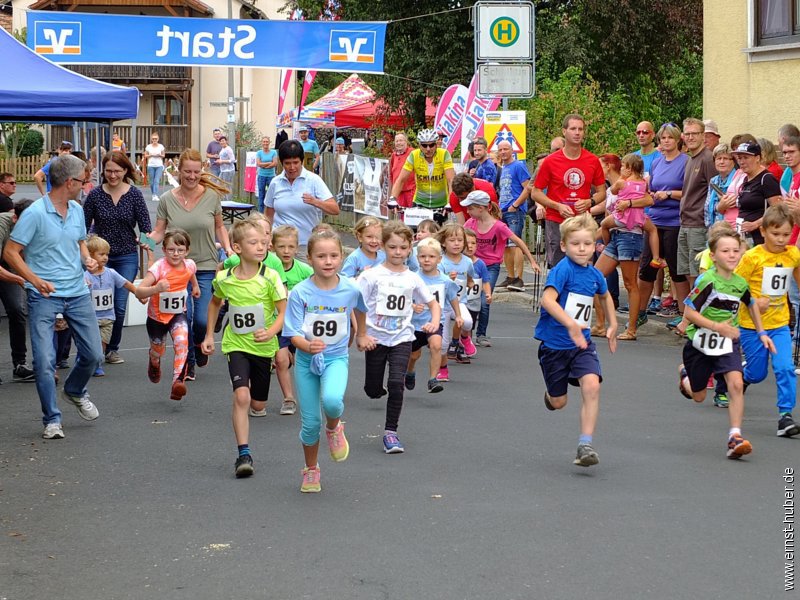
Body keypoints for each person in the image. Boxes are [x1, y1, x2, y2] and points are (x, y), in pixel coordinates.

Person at [4, 154, 103, 440]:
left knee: (94, 355)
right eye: (84, 181)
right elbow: (11, 252)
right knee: (45, 361)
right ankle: (52, 419)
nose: (87, 185)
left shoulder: (76, 209)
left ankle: (74, 390)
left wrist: (87, 260)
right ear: (70, 182)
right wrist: (34, 280)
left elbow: (80, 241)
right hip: (43, 296)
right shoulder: (35, 213)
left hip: (77, 292)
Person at [283, 229, 368, 492]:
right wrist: (307, 345)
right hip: (307, 361)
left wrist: (362, 334)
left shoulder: (350, 289)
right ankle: (311, 470)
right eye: (321, 256)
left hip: (335, 358)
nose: (328, 261)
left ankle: (334, 428)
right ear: (309, 258)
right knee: (310, 423)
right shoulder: (300, 292)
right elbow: (292, 332)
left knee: (332, 401)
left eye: (333, 255)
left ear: (342, 257)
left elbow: (360, 308)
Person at [677, 226, 773, 458]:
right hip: (700, 341)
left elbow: (750, 304)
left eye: (735, 250)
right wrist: (716, 326)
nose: (731, 255)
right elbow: (689, 312)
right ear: (713, 256)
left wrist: (761, 333)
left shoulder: (740, 283)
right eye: (725, 251)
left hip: (728, 341)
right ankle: (685, 375)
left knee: (736, 383)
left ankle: (735, 436)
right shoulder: (707, 280)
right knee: (699, 396)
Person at [202, 220, 286, 478]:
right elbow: (215, 303)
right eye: (254, 243)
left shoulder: (270, 277)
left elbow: (284, 311)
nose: (261, 247)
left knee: (258, 403)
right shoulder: (224, 278)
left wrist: (271, 331)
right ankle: (243, 454)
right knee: (241, 397)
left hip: (263, 347)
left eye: (263, 242)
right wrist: (208, 335)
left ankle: (254, 403)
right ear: (237, 247)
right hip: (235, 344)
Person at [535, 212, 617, 467]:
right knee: (559, 402)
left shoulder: (594, 274)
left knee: (592, 385)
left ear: (595, 245)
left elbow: (605, 296)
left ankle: (585, 444)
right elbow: (547, 299)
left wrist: (613, 324)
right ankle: (551, 396)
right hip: (554, 347)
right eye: (575, 244)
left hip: (582, 345)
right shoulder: (563, 271)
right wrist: (570, 323)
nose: (582, 249)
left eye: (588, 244)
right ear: (563, 246)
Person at [147, 148, 234, 382]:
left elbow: (219, 227)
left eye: (196, 172)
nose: (192, 176)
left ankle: (197, 344)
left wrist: (228, 247)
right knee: (183, 317)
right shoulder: (167, 199)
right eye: (187, 171)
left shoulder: (212, 197)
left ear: (201, 171)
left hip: (205, 265)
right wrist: (146, 240)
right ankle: (188, 365)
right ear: (179, 170)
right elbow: (159, 231)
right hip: (177, 269)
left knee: (202, 321)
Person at [357, 221, 439, 454]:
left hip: (402, 337)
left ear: (409, 249)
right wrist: (361, 334)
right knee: (372, 389)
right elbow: (358, 305)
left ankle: (391, 433)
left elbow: (432, 302)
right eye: (392, 247)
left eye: (403, 248)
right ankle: (375, 389)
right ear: (383, 247)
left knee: (396, 383)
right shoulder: (372, 276)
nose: (398, 253)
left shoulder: (412, 277)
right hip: (376, 338)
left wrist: (434, 320)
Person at [735, 204, 800, 438]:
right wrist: (753, 301)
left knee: (785, 367)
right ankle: (741, 377)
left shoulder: (793, 254)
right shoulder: (752, 257)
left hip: (780, 324)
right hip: (752, 325)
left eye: (785, 234)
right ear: (763, 231)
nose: (781, 239)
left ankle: (785, 417)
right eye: (775, 234)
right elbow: (734, 288)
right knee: (757, 373)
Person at [83, 151, 152, 365]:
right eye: (109, 171)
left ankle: (112, 348)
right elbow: (83, 227)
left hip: (126, 255)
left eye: (117, 171)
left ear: (125, 171)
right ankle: (95, 346)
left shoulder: (134, 194)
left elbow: (146, 227)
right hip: (98, 256)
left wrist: (149, 253)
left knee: (119, 304)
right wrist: (84, 255)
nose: (112, 175)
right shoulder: (94, 195)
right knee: (95, 304)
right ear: (103, 171)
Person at [463, 190, 540, 347]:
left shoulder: (499, 226)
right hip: (472, 265)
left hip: (490, 267)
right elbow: (456, 237)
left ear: (483, 208)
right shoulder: (470, 224)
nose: (467, 211)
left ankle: (481, 334)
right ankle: (466, 333)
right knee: (469, 300)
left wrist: (532, 261)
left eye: (470, 208)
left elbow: (518, 241)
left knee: (484, 300)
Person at [531, 113, 607, 270]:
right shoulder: (551, 161)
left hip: (582, 221)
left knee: (583, 265)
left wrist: (590, 201)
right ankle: (558, 295)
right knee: (560, 267)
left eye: (581, 129)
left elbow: (602, 192)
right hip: (557, 220)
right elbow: (536, 192)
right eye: (573, 129)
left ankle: (581, 294)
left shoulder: (592, 160)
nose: (577, 132)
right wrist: (557, 206)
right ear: (564, 131)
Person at [594, 155, 655, 341]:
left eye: (624, 168)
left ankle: (631, 329)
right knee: (594, 278)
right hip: (616, 234)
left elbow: (649, 200)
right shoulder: (620, 184)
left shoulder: (638, 185)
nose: (621, 170)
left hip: (630, 235)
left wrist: (628, 203)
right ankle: (600, 325)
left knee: (630, 284)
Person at [635, 122, 689, 330]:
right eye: (663, 138)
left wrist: (669, 194)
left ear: (677, 140)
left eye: (670, 138)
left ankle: (683, 314)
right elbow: (650, 187)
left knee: (677, 270)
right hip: (654, 220)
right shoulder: (657, 162)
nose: (666, 141)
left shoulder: (685, 162)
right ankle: (640, 311)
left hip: (675, 220)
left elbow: (690, 192)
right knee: (647, 267)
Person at [135, 229, 198, 401]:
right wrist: (155, 289)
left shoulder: (190, 264)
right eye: (171, 250)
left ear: (187, 251)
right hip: (157, 318)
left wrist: (196, 286)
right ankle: (154, 362)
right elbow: (139, 292)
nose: (176, 254)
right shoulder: (158, 268)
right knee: (158, 351)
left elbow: (191, 275)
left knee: (182, 341)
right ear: (163, 250)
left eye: (180, 250)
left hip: (178, 314)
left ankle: (177, 381)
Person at [265, 140, 339, 258]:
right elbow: (268, 215)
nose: (292, 167)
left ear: (302, 161)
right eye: (287, 163)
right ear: (281, 162)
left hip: (304, 245)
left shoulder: (314, 180)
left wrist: (315, 202)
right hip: (280, 245)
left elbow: (335, 209)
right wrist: (267, 237)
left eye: (296, 162)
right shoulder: (275, 182)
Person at [405, 236, 459, 393]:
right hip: (415, 324)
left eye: (431, 256)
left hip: (435, 322)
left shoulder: (445, 281)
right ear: (417, 258)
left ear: (439, 259)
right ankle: (410, 371)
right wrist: (413, 306)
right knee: (413, 355)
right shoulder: (411, 278)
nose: (427, 260)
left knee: (436, 345)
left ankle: (433, 379)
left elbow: (453, 297)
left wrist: (459, 315)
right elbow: (404, 298)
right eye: (422, 256)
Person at [271, 224, 313, 417]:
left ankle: (310, 393)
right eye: (281, 246)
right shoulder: (269, 270)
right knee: (280, 360)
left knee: (304, 361)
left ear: (297, 247)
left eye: (290, 247)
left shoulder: (304, 270)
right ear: (272, 247)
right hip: (278, 321)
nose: (286, 251)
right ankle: (289, 398)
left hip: (302, 323)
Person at [83, 235, 140, 377]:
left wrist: (138, 293)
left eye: (107, 254)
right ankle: (87, 360)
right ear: (90, 255)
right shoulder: (85, 276)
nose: (105, 257)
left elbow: (126, 283)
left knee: (102, 342)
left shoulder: (111, 273)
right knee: (91, 343)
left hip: (108, 316)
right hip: (91, 317)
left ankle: (98, 362)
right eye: (101, 254)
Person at [677, 118, 718, 288]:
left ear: (703, 136)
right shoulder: (689, 159)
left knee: (697, 272)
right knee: (686, 270)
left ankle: (698, 310)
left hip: (699, 224)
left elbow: (715, 191)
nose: (691, 137)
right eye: (687, 134)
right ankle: (690, 311)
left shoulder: (708, 159)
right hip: (685, 222)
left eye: (695, 133)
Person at [0, 199, 35, 383]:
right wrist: (21, 279)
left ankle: (19, 364)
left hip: (10, 265)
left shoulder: (36, 223)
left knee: (17, 310)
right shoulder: (2, 224)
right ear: (15, 217)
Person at [722, 142, 781, 247]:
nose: (741, 162)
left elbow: (778, 210)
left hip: (761, 239)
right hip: (745, 237)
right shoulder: (745, 178)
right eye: (739, 158)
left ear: (757, 158)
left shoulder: (766, 179)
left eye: (746, 157)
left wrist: (755, 224)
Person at [389, 128, 455, 221]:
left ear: (436, 145)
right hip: (420, 203)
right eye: (424, 145)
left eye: (431, 145)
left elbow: (451, 180)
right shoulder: (414, 155)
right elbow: (401, 179)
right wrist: (393, 198)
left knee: (437, 233)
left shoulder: (444, 154)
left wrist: (451, 202)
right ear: (419, 145)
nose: (428, 149)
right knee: (416, 233)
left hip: (440, 205)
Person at [436, 223, 474, 380]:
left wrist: (471, 283)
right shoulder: (441, 262)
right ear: (444, 243)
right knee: (442, 345)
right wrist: (447, 279)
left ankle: (464, 338)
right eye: (452, 240)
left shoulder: (467, 262)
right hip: (443, 306)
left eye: (460, 240)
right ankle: (443, 369)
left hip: (459, 302)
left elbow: (470, 277)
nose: (457, 243)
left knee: (467, 322)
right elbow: (435, 282)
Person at [495, 140, 532, 291]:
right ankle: (510, 276)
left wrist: (516, 204)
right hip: (503, 209)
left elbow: (528, 187)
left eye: (506, 149)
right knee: (505, 245)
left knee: (515, 243)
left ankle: (519, 278)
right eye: (500, 149)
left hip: (514, 210)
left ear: (512, 150)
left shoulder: (518, 166)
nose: (503, 152)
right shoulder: (503, 168)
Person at [461, 228, 492, 354]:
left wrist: (488, 293)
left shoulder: (480, 264)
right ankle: (460, 344)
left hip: (474, 301)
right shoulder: (457, 262)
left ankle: (467, 342)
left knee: (470, 324)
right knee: (460, 322)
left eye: (473, 243)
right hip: (459, 300)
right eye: (467, 243)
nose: (470, 246)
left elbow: (485, 281)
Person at [704, 143, 738, 228]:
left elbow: (733, 204)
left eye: (725, 158)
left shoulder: (738, 179)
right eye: (718, 158)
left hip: (732, 228)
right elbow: (707, 207)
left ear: (733, 162)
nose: (721, 162)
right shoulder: (713, 181)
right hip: (715, 227)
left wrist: (719, 206)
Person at [388, 133, 415, 209]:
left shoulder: (413, 153)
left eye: (401, 140)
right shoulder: (393, 155)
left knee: (412, 214)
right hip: (398, 193)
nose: (399, 143)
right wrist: (392, 194)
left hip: (411, 191)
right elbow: (391, 175)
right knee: (400, 215)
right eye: (397, 141)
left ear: (406, 142)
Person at [255, 136, 277, 214]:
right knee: (261, 195)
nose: (265, 143)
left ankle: (271, 213)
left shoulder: (273, 152)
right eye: (264, 141)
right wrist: (268, 163)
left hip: (271, 176)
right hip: (261, 176)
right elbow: (258, 164)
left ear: (269, 142)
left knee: (272, 194)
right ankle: (260, 213)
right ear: (262, 143)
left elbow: (275, 163)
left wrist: (264, 165)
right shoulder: (259, 153)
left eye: (266, 141)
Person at [144, 132, 166, 202]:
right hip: (151, 165)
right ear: (151, 139)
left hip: (159, 165)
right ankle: (153, 193)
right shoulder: (148, 146)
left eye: (156, 139)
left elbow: (163, 155)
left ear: (158, 139)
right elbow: (145, 155)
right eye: (153, 139)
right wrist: (151, 155)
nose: (154, 140)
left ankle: (155, 195)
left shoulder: (161, 146)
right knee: (151, 182)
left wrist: (159, 155)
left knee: (156, 181)